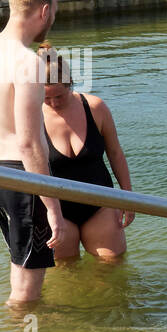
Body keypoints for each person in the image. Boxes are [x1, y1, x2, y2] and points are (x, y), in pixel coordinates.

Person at [0, 0, 66, 306]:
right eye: (53, 11)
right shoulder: (28, 63)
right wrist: (53, 206)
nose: (52, 18)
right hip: (23, 181)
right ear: (43, 11)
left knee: (19, 268)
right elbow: (28, 142)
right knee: (27, 292)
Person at [40, 43, 133, 263]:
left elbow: (115, 153)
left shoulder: (96, 107)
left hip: (101, 202)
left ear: (70, 83)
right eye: (46, 98)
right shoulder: (31, 118)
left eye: (59, 96)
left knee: (113, 268)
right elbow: (18, 163)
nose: (53, 103)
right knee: (66, 275)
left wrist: (128, 197)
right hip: (58, 211)